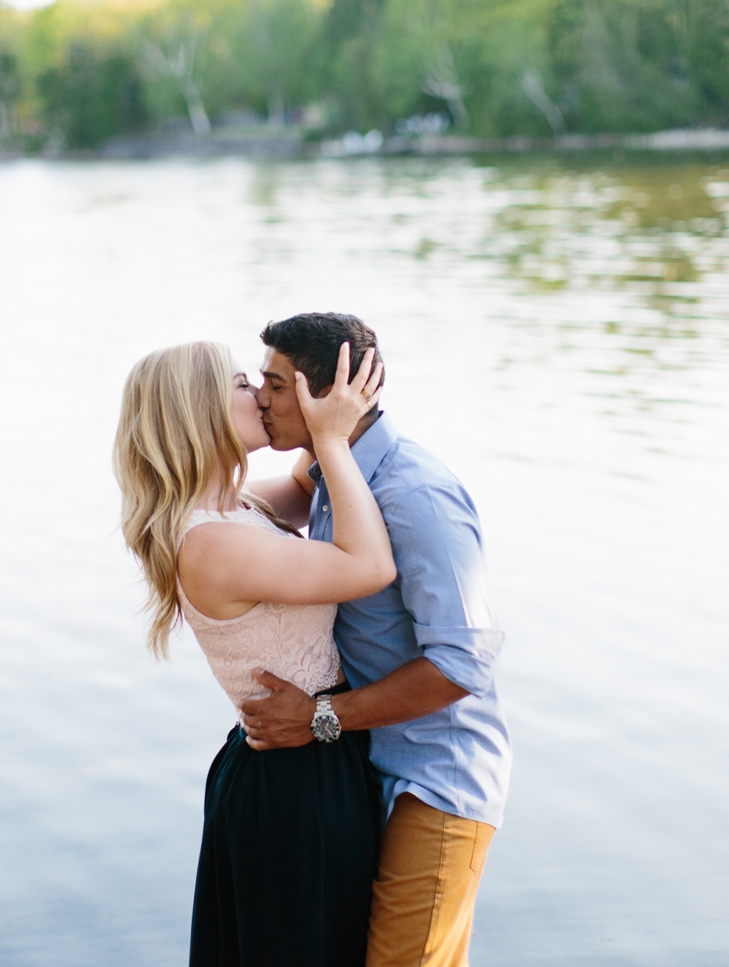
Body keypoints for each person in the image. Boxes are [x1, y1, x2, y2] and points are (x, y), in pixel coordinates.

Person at [240, 313, 511, 967]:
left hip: (435, 782)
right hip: (365, 767)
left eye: (275, 385)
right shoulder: (335, 469)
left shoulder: (415, 495)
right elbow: (263, 505)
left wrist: (319, 718)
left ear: (322, 394)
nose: (260, 399)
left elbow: (460, 664)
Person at [113, 339, 392, 967]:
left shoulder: (234, 510)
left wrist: (323, 412)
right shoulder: (212, 543)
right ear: (199, 411)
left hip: (296, 764)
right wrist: (336, 441)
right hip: (293, 783)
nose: (263, 396)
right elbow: (369, 564)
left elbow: (307, 480)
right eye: (244, 385)